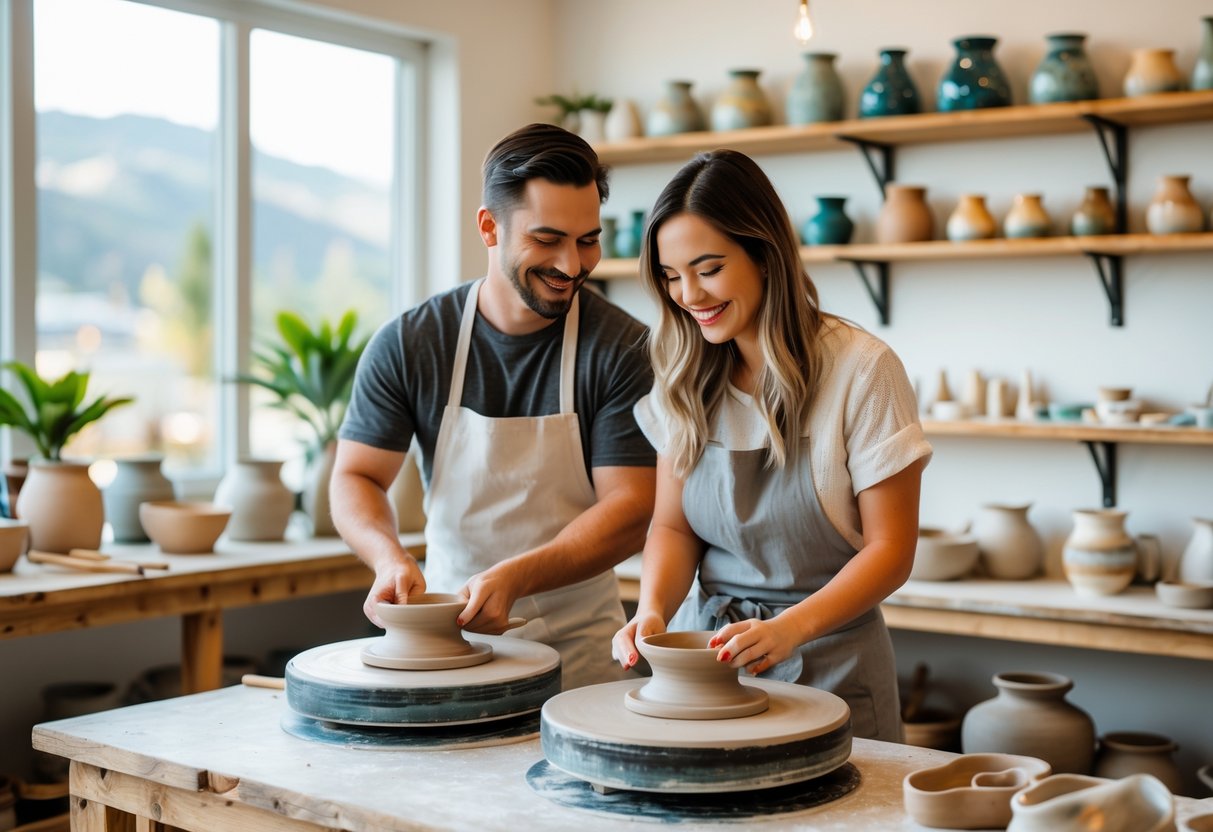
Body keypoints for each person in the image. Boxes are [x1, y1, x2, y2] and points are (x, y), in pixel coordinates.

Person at [611, 150, 931, 740]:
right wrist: (653, 611)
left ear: (765, 254)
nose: (688, 294)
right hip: (711, 667)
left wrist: (789, 629)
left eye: (708, 268)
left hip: (834, 667)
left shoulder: (862, 370)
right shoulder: (682, 372)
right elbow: (673, 527)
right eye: (670, 274)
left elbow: (891, 550)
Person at [332, 123, 657, 690]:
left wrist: (519, 576)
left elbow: (631, 508)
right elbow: (356, 475)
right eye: (547, 238)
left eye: (587, 240)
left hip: (578, 655)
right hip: (446, 642)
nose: (572, 264)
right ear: (489, 227)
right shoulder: (412, 343)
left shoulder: (622, 348)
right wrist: (388, 558)